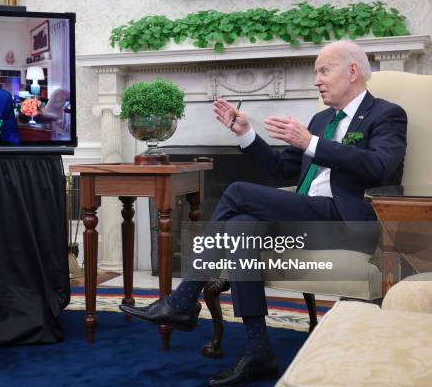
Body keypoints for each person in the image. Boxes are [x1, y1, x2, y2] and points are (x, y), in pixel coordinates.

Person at [120, 40, 408, 386]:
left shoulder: (387, 114)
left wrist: (311, 144)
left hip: (348, 222)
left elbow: (380, 166)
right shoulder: (320, 120)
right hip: (309, 217)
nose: (317, 79)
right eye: (315, 72)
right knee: (242, 226)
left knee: (238, 191)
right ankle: (258, 351)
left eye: (323, 70)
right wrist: (246, 134)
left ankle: (184, 298)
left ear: (352, 71)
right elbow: (279, 171)